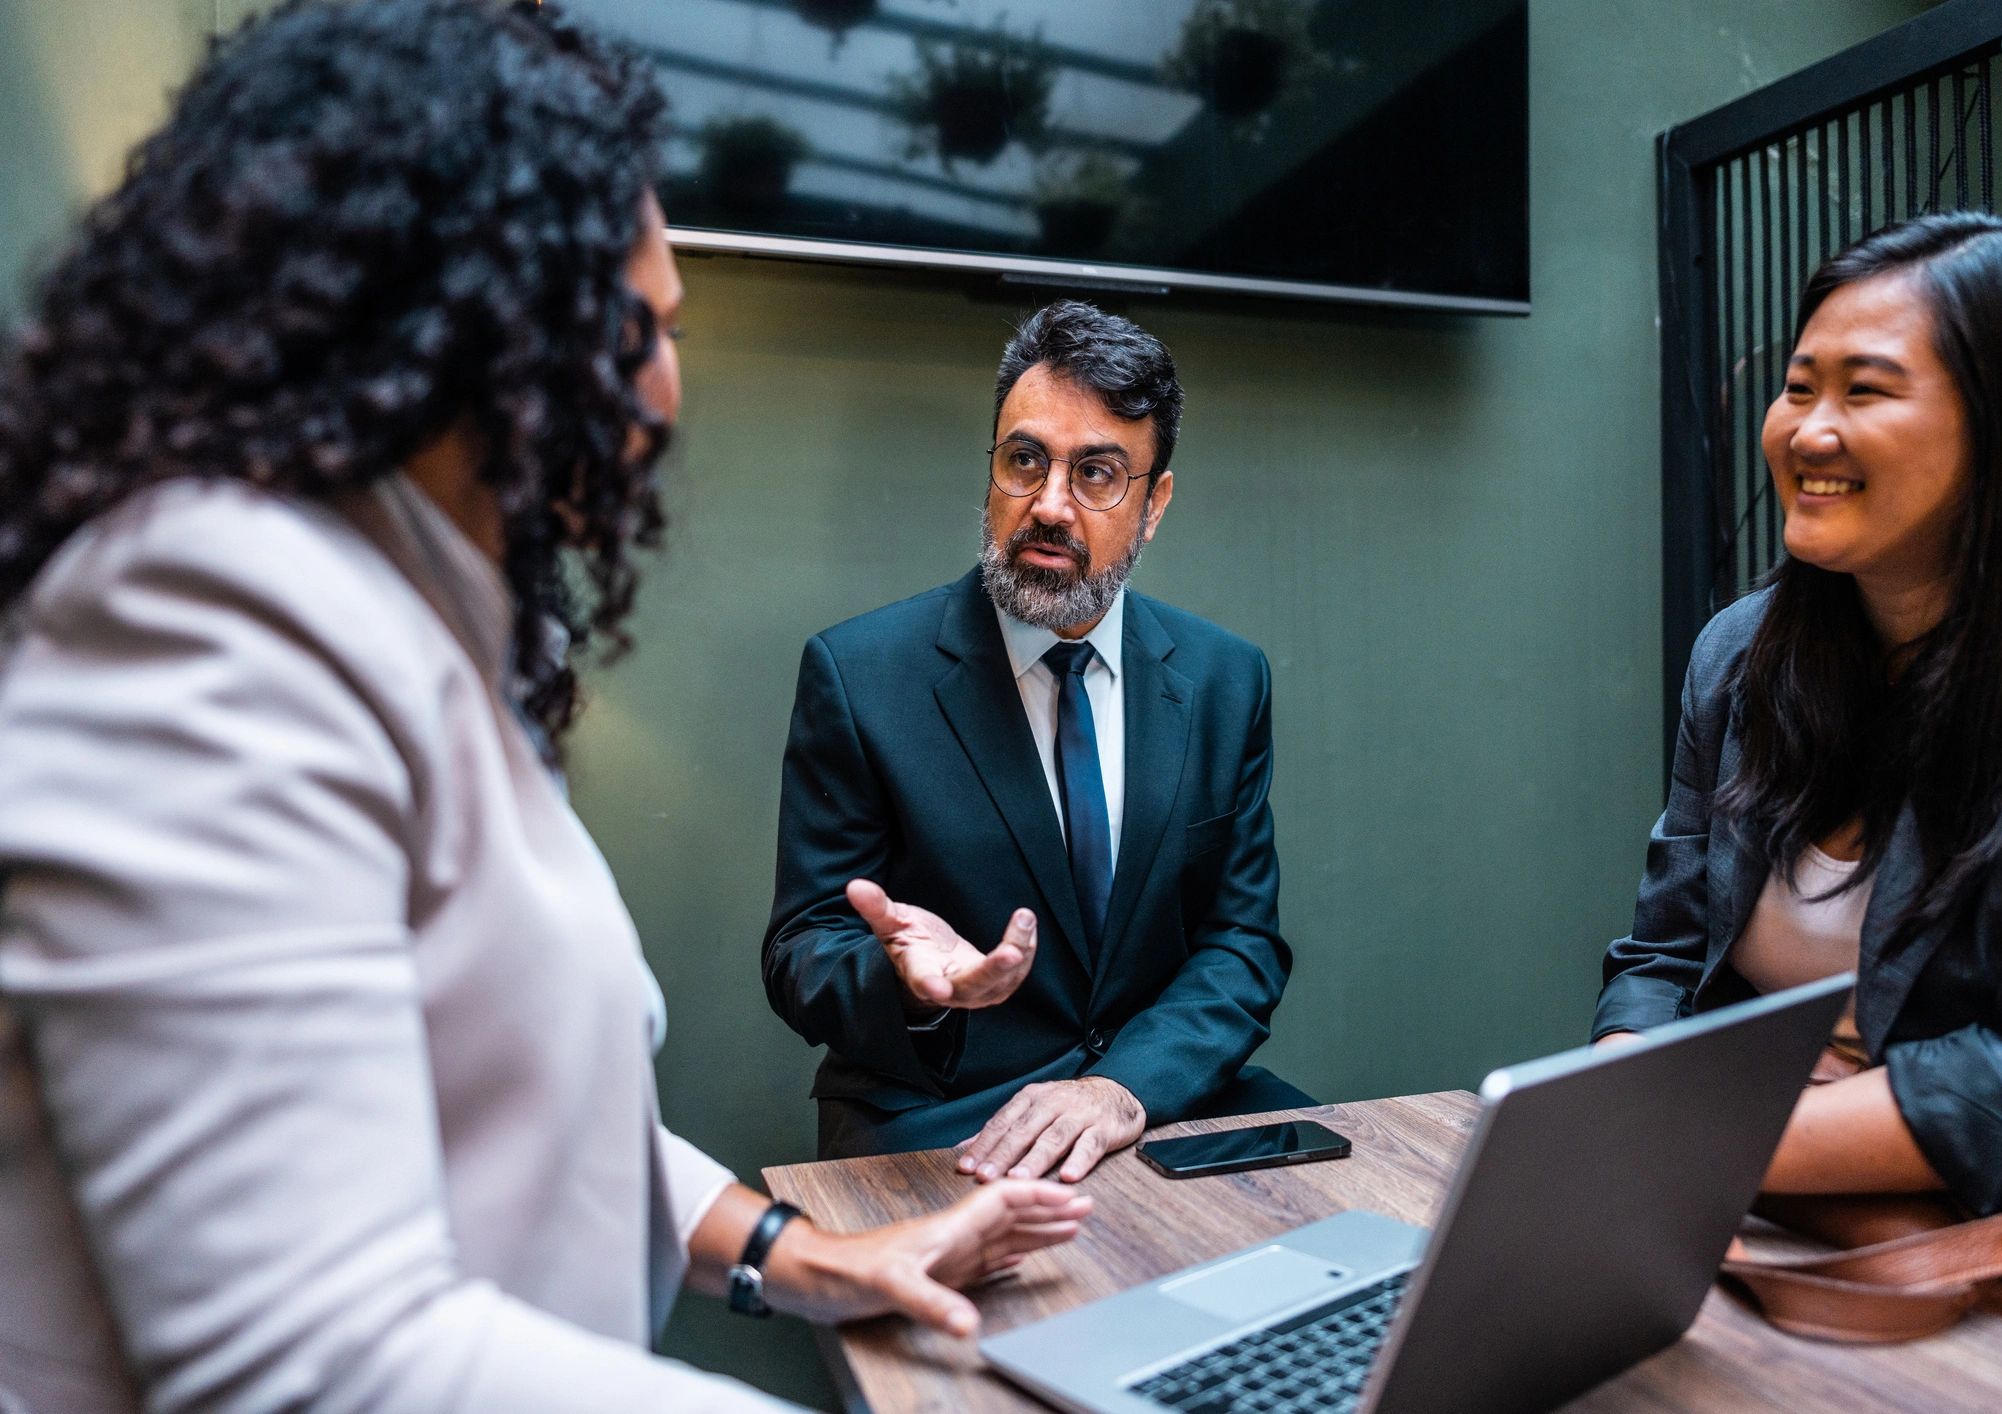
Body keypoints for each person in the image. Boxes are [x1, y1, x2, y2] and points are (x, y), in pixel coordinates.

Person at [0, 4, 1091, 1411]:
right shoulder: (202, 619)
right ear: (470, 316)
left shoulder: (424, 632)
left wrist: (815, 1256)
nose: (668, 387)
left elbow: (527, 1108)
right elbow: (314, 1361)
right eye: (647, 325)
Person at [1595, 212, 2002, 1216]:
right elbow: (1663, 955)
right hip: (1729, 1196)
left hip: (1986, 1240)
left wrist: (1693, 1144)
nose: (1808, 431)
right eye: (1798, 388)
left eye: (1865, 390)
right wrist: (1619, 1094)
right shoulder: (1738, 654)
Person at [763, 300, 1311, 1177]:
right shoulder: (858, 673)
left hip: (1155, 1100)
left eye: (1096, 474)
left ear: (1154, 504)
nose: (1049, 505)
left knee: (1381, 1218)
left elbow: (1240, 942)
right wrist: (912, 986)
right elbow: (804, 948)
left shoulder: (1224, 678)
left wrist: (1122, 1087)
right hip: (944, 1112)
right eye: (1024, 461)